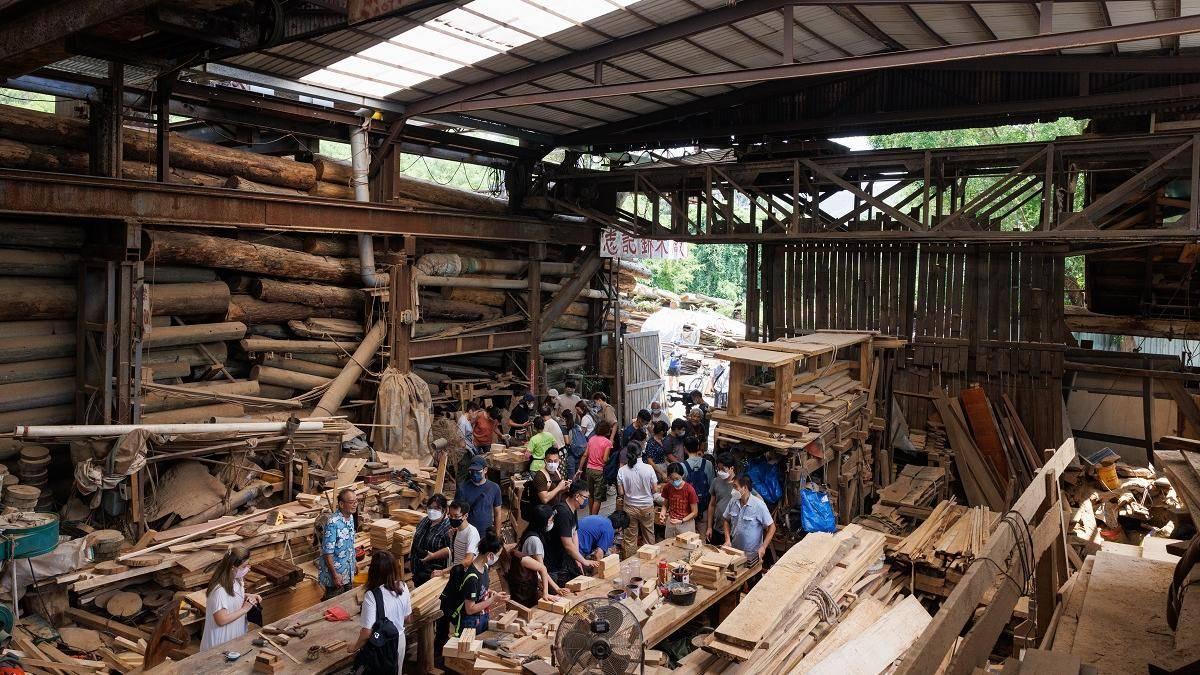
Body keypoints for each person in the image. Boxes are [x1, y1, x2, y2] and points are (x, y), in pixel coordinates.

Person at [349, 550, 411, 671]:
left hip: (382, 646)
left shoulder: (372, 596)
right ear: (394, 569)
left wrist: (354, 647)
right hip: (400, 640)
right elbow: (407, 618)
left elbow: (367, 633)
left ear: (372, 572)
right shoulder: (402, 586)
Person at [506, 505, 568, 608]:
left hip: (530, 584)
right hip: (529, 587)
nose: (552, 522)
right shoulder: (534, 541)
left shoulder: (531, 532)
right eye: (550, 520)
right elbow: (541, 568)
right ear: (543, 522)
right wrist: (553, 589)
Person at [200, 546, 260, 650]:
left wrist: (247, 596)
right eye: (244, 566)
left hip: (234, 636)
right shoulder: (219, 591)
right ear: (232, 567)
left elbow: (232, 595)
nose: (248, 568)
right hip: (220, 642)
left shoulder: (237, 579)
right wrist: (245, 609)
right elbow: (221, 620)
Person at [447, 531, 507, 636]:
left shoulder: (484, 567)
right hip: (470, 624)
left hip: (482, 617)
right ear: (490, 555)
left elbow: (480, 589)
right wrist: (492, 599)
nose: (498, 558)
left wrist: (489, 592)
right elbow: (470, 609)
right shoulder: (472, 577)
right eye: (498, 555)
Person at [546, 482, 598, 585]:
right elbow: (568, 545)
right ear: (577, 496)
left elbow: (574, 533)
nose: (586, 500)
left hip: (565, 558)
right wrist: (584, 561)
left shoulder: (572, 509)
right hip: (554, 562)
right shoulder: (563, 512)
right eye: (585, 497)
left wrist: (577, 558)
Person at [616, 442, 658, 558]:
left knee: (630, 539)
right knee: (649, 537)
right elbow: (655, 489)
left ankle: (630, 563)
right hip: (647, 507)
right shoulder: (649, 468)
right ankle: (650, 563)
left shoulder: (622, 470)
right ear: (641, 452)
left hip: (629, 507)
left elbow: (621, 492)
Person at [723, 476, 776, 564]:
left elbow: (772, 527)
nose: (733, 490)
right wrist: (727, 539)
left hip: (752, 554)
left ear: (744, 488)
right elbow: (726, 520)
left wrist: (763, 547)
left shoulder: (759, 505)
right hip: (734, 551)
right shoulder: (733, 501)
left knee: (751, 572)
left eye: (735, 486)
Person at [318, 488, 359, 599]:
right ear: (341, 504)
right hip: (336, 574)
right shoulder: (333, 523)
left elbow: (350, 544)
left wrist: (354, 562)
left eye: (356, 501)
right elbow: (327, 553)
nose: (355, 504)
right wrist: (335, 575)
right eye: (351, 502)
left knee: (347, 601)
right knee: (332, 603)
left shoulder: (350, 517)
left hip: (348, 571)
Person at [413, 494, 453, 586]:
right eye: (430, 507)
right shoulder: (425, 520)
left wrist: (433, 556)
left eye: (436, 508)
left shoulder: (448, 527)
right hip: (418, 569)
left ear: (444, 510)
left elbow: (451, 550)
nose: (432, 511)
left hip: (434, 572)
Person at [455, 456, 502, 535]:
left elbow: (497, 513)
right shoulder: (462, 489)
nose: (474, 474)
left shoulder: (494, 488)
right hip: (468, 533)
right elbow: (456, 513)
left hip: (486, 534)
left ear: (485, 470)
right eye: (472, 471)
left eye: (478, 471)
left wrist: (497, 535)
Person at [431, 500, 478, 572]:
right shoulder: (455, 530)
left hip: (466, 573)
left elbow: (468, 561)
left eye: (456, 516)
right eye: (451, 516)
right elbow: (454, 552)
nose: (453, 519)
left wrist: (443, 571)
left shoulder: (471, 533)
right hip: (456, 571)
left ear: (465, 516)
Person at [682, 436, 714, 536]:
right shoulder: (708, 464)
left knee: (688, 537)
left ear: (685, 449)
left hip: (688, 509)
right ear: (698, 447)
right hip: (704, 506)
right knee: (703, 537)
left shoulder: (682, 466)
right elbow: (712, 487)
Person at [660, 462, 699, 539]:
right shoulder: (667, 487)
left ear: (682, 475)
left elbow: (695, 512)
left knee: (686, 545)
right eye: (671, 479)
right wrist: (662, 513)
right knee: (668, 544)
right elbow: (665, 505)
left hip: (686, 524)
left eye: (677, 479)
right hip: (671, 522)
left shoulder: (689, 490)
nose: (674, 481)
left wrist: (682, 520)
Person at [706, 453, 738, 546]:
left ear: (732, 468)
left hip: (733, 533)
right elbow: (712, 505)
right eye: (718, 469)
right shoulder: (716, 481)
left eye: (723, 469)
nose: (720, 472)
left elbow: (757, 498)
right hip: (717, 529)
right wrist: (709, 527)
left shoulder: (740, 484)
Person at [583, 420, 613, 516]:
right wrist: (609, 458)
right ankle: (594, 518)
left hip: (589, 469)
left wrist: (580, 469)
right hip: (599, 471)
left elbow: (585, 454)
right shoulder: (608, 442)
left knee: (591, 494)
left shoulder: (591, 439)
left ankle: (590, 515)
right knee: (598, 498)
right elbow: (605, 459)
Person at [561, 409, 588, 480]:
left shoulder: (566, 428)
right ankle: (577, 485)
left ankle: (572, 486)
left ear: (564, 418)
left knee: (571, 475)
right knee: (577, 474)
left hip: (572, 453)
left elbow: (568, 442)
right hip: (581, 452)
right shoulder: (578, 426)